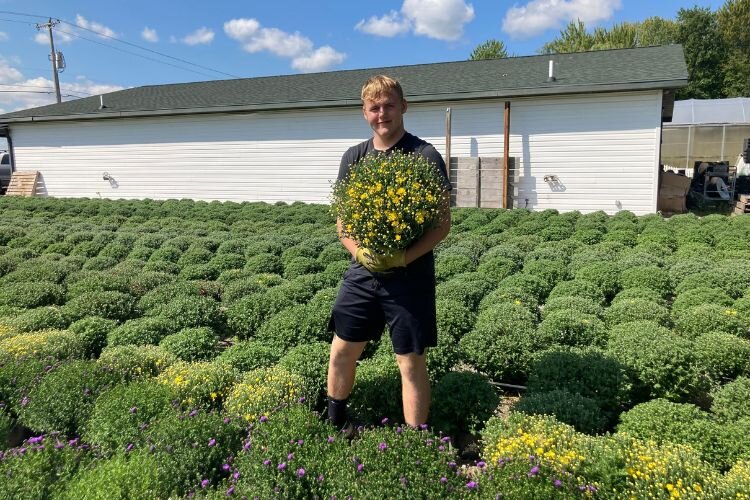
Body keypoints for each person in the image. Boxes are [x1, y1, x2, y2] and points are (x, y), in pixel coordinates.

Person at [326, 75, 452, 430]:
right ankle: (336, 423)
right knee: (342, 350)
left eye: (389, 105)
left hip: (409, 277)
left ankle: (415, 441)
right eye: (374, 107)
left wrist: (401, 257)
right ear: (365, 112)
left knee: (410, 361)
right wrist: (360, 252)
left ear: (403, 107)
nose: (382, 113)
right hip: (362, 274)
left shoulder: (424, 156)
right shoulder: (354, 157)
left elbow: (442, 226)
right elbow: (343, 224)